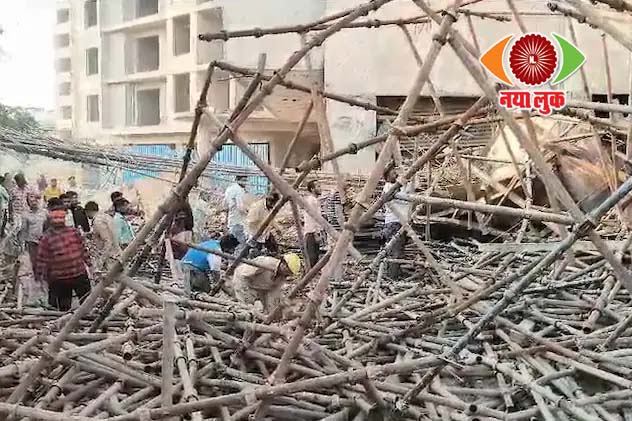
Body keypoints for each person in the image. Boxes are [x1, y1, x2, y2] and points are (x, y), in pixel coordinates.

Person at [35, 206, 92, 311]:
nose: (58, 221)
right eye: (55, 218)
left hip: (79, 273)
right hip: (60, 279)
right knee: (64, 307)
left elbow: (82, 249)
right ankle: (66, 319)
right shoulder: (46, 238)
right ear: (50, 221)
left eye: (60, 218)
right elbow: (42, 260)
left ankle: (88, 318)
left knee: (87, 302)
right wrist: (40, 277)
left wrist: (90, 264)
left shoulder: (74, 232)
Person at [232, 253, 301, 313]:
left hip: (259, 285)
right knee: (246, 307)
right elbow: (243, 275)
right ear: (283, 263)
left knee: (266, 310)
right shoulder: (265, 263)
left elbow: (273, 292)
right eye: (287, 269)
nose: (287, 272)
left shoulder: (282, 276)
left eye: (289, 272)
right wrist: (247, 297)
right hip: (242, 279)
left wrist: (272, 309)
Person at [17, 192, 48, 307]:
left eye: (36, 199)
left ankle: (45, 294)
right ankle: (37, 295)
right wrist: (22, 246)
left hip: (44, 243)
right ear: (28, 202)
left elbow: (48, 228)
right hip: (32, 244)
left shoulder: (44, 213)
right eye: (31, 199)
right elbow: (23, 231)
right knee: (35, 268)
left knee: (45, 267)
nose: (34, 201)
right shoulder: (25, 215)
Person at [381, 166, 411, 281]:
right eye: (393, 172)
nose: (395, 173)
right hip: (394, 223)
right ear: (387, 175)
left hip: (401, 223)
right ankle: (392, 278)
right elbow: (393, 194)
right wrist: (401, 182)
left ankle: (396, 274)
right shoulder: (388, 187)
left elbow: (411, 188)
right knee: (395, 252)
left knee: (399, 250)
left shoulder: (400, 187)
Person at [85, 201, 120, 273]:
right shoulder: (106, 216)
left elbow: (107, 240)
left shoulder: (97, 222)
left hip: (111, 257)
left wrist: (102, 260)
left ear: (88, 211)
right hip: (117, 252)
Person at [247, 191, 281, 255]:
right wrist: (261, 225)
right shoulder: (257, 207)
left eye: (274, 203)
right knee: (257, 253)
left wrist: (277, 228)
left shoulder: (270, 207)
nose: (273, 205)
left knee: (275, 250)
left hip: (266, 233)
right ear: (268, 200)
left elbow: (271, 219)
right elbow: (250, 222)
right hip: (256, 234)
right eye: (272, 203)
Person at [223, 175, 249, 246]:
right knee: (240, 244)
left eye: (246, 180)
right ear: (237, 180)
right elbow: (240, 208)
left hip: (231, 221)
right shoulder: (239, 190)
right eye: (243, 180)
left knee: (232, 243)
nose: (245, 182)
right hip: (238, 222)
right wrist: (249, 213)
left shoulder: (229, 189)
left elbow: (225, 206)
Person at [303, 180, 322, 268]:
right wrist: (315, 233)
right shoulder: (311, 201)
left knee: (315, 258)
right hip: (311, 233)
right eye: (318, 186)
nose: (320, 188)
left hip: (314, 232)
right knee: (312, 259)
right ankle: (308, 275)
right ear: (312, 189)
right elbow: (310, 218)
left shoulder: (315, 201)